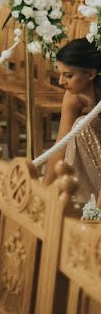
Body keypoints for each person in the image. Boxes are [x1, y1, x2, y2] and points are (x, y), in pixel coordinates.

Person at [43, 39, 101, 207]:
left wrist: (97, 215)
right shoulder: (73, 96)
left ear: (90, 74)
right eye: (60, 73)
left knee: (81, 126)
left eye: (68, 75)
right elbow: (60, 145)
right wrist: (43, 195)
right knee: (78, 127)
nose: (61, 81)